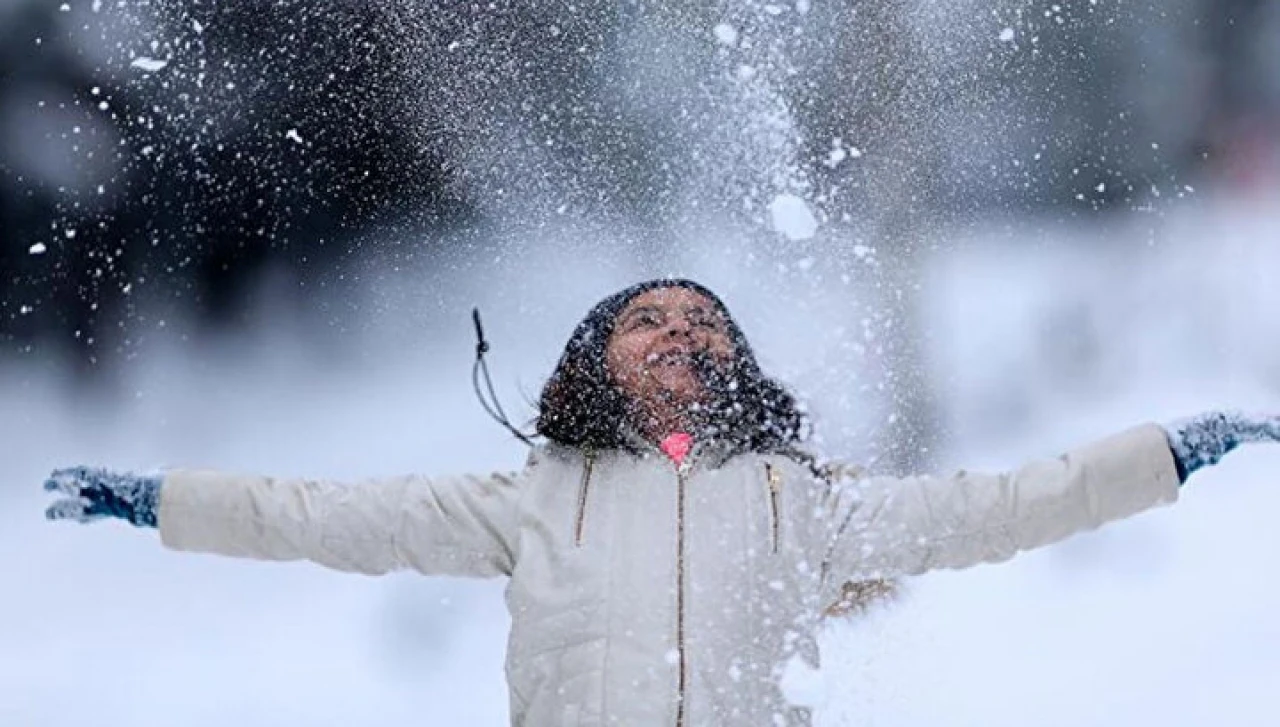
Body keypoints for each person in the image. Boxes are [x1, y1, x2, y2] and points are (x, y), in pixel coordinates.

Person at [43, 278, 1280, 727]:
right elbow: (320, 512)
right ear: (596, 362)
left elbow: (1003, 504)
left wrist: (1161, 454)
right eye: (648, 319)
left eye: (705, 322)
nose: (681, 332)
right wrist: (163, 501)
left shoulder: (808, 506)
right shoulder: (526, 499)